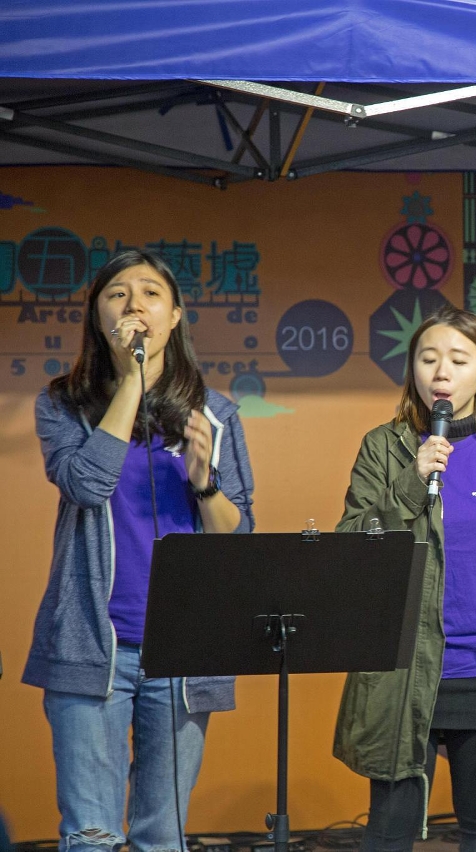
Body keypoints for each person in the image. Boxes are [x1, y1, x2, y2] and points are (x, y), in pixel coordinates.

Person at [22, 249, 255, 852]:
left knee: (162, 836)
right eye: (117, 293)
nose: (134, 304)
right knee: (91, 834)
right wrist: (131, 380)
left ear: (175, 315)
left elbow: (237, 533)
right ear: (99, 316)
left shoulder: (215, 413)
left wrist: (205, 479)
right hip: (91, 643)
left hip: (183, 649)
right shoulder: (63, 405)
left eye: (150, 293)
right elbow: (85, 484)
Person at [332, 304, 476, 852]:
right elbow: (349, 546)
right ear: (412, 369)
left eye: (458, 359)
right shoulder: (385, 447)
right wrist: (412, 482)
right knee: (389, 832)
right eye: (428, 358)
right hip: (402, 669)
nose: (441, 371)